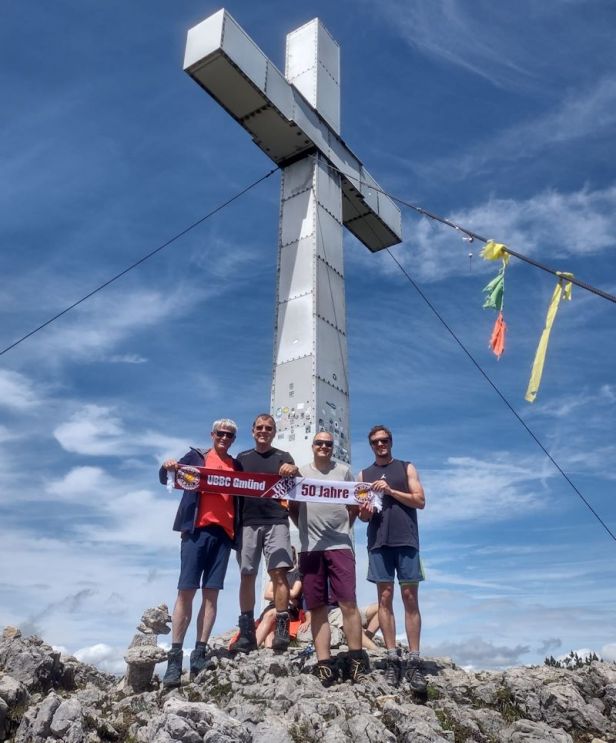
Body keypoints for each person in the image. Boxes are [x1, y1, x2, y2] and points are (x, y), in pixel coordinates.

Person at [158, 418, 241, 687]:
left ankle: (200, 653)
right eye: (221, 433)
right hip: (196, 531)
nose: (224, 438)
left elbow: (252, 489)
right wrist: (167, 466)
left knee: (212, 594)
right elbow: (166, 477)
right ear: (212, 434)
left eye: (229, 435)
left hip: (224, 535)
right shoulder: (196, 457)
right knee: (186, 591)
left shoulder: (236, 465)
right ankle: (174, 659)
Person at [289, 431, 369, 686]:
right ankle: (324, 663)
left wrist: (345, 528)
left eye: (328, 444)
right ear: (312, 446)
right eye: (320, 443)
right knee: (316, 607)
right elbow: (292, 506)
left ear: (333, 447)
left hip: (340, 546)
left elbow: (354, 504)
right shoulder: (300, 472)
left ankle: (356, 657)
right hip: (310, 548)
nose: (324, 447)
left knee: (348, 602)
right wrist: (304, 528)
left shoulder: (344, 471)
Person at [358, 425, 427, 692]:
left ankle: (414, 658)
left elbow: (420, 501)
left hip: (407, 540)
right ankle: (390, 657)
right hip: (378, 542)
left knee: (410, 598)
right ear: (370, 445)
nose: (380, 444)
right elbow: (363, 515)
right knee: (384, 598)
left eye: (384, 440)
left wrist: (390, 491)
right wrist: (364, 511)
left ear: (391, 441)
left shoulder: (406, 467)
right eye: (375, 442)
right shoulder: (363, 474)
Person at [230, 413, 299, 654]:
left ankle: (282, 626)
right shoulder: (242, 458)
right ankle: (247, 632)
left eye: (268, 428)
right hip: (247, 523)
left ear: (274, 432)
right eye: (259, 427)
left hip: (276, 520)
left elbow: (298, 485)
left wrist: (294, 469)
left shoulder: (283, 456)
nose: (263, 431)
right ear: (252, 430)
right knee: (247, 574)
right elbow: (228, 485)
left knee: (279, 573)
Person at [255, 548, 303, 648]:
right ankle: (268, 652)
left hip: (288, 609)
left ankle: (253, 647)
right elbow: (267, 594)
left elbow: (295, 593)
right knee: (271, 624)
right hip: (273, 605)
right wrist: (285, 595)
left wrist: (277, 594)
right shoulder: (276, 574)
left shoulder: (297, 574)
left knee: (270, 615)